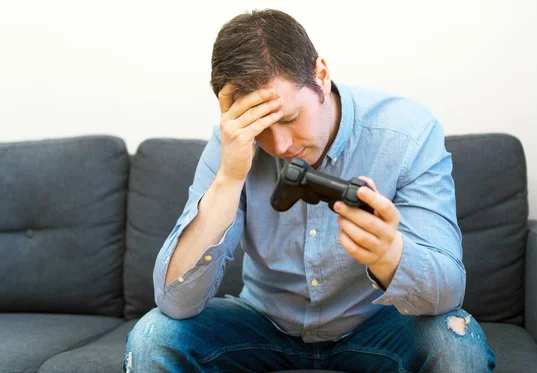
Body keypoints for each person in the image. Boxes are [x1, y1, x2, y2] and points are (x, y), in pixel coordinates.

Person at [124, 8, 496, 373]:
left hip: (378, 325)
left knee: (454, 339)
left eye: (288, 118)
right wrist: (229, 177)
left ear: (321, 74)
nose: (281, 145)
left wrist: (390, 255)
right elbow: (175, 303)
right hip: (264, 325)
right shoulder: (233, 146)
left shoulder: (409, 134)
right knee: (154, 336)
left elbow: (449, 294)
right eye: (261, 128)